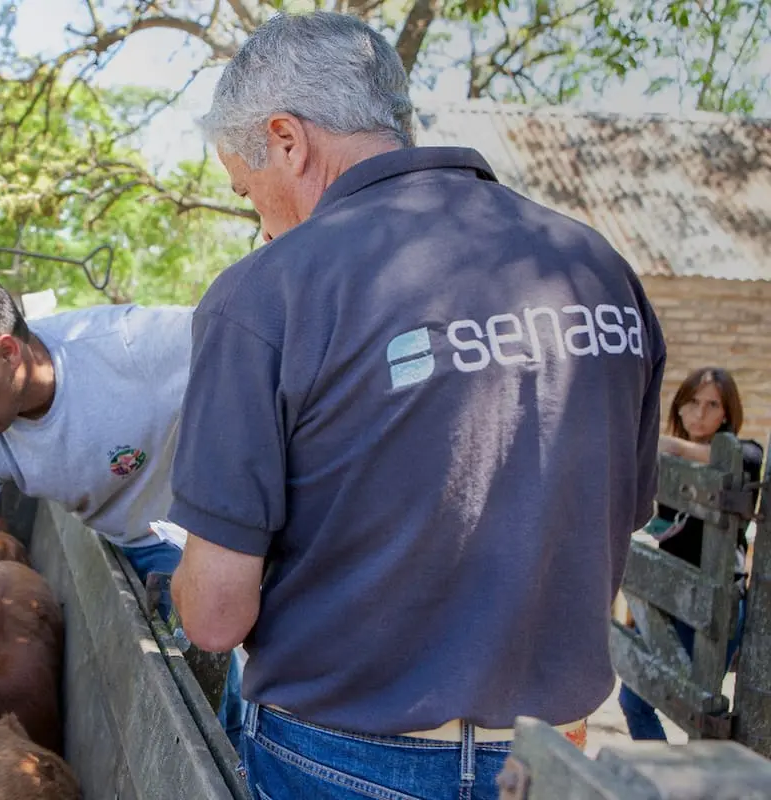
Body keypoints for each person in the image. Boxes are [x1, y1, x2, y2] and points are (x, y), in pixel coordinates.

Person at [165, 11, 666, 800]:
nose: (259, 222)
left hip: (342, 760)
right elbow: (616, 515)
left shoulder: (263, 295)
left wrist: (182, 584)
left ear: (288, 140)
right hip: (552, 759)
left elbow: (216, 617)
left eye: (246, 188)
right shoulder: (596, 267)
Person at [0, 270, 243, 780]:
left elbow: (251, 350)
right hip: (139, 541)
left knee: (238, 681)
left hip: (217, 524)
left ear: (7, 352)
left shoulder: (136, 347)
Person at [618, 367, 763, 740]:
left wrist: (672, 446)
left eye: (711, 404)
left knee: (697, 713)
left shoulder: (743, 452)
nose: (700, 413)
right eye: (692, 402)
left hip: (717, 607)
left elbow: (744, 462)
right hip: (669, 598)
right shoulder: (665, 466)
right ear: (679, 408)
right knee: (634, 700)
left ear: (726, 412)